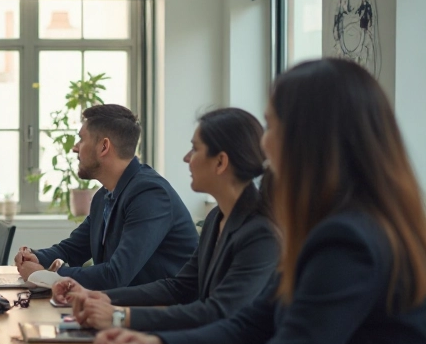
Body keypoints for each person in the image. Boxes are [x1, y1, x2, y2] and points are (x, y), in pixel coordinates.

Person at [95, 59, 426, 344]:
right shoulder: (332, 225)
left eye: (270, 126)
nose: (263, 145)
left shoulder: (348, 240)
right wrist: (157, 343)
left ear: (308, 137)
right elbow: (251, 324)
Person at [53, 108, 278, 331]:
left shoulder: (260, 231)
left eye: (195, 149)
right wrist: (99, 296)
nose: (186, 158)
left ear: (220, 162)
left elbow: (218, 312)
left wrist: (121, 317)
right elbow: (179, 287)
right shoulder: (216, 218)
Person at [15, 104, 198, 290]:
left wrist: (46, 275)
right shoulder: (104, 195)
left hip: (161, 306)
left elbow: (116, 275)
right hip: (121, 303)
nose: (75, 148)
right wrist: (37, 257)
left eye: (81, 139)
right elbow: (73, 249)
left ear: (104, 146)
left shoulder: (150, 194)